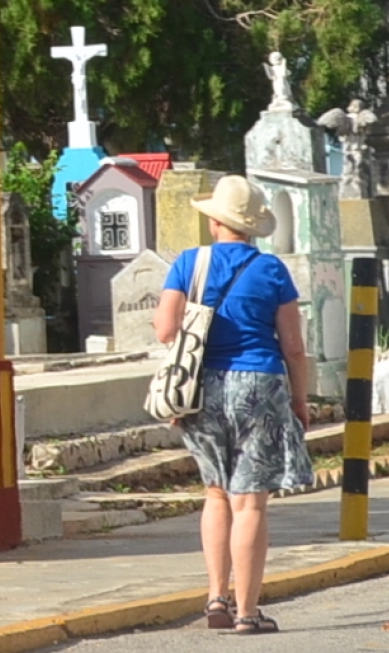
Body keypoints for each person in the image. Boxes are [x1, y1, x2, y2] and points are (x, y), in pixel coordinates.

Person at [153, 175, 313, 634]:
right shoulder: (271, 270)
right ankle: (247, 612)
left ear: (214, 223)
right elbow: (293, 345)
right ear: (251, 227)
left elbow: (165, 331)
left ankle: (215, 598)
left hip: (201, 386)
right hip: (261, 383)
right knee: (251, 503)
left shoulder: (189, 263)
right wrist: (299, 399)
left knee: (216, 493)